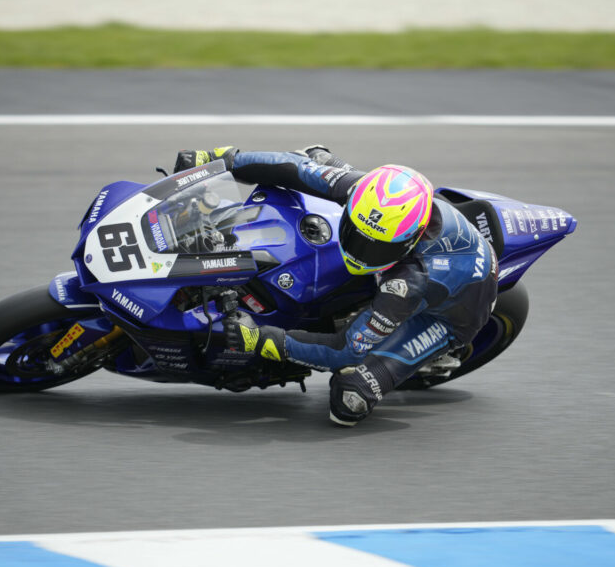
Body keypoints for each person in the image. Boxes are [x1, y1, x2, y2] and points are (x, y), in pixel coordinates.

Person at [173, 146, 498, 426]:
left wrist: (260, 339)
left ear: (409, 240)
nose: (360, 250)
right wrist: (220, 160)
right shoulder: (365, 192)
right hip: (417, 256)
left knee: (349, 398)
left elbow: (346, 349)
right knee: (313, 157)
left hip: (453, 311)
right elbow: (291, 168)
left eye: (376, 247)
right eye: (356, 234)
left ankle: (387, 373)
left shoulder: (409, 281)